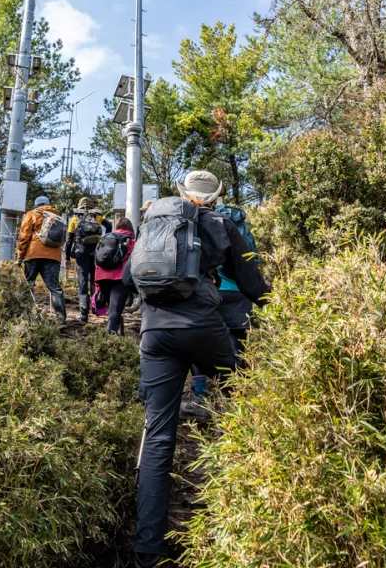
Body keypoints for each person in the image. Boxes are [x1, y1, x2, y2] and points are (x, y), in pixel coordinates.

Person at [129, 170, 269, 567]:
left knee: (158, 435)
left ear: (179, 193)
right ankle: (237, 508)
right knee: (241, 395)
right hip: (204, 328)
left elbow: (128, 276)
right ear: (215, 196)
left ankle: (148, 548)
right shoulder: (220, 223)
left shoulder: (152, 223)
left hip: (155, 334)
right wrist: (281, 309)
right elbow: (251, 283)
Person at [191, 200, 262, 399]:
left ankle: (200, 392)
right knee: (239, 347)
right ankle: (237, 396)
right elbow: (252, 261)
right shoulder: (243, 228)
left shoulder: (206, 224)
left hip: (215, 292)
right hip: (241, 294)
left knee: (201, 342)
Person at [16, 195, 68, 325]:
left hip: (34, 254)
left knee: (29, 285)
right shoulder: (57, 217)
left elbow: (24, 237)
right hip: (54, 256)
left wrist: (20, 257)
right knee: (54, 287)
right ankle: (61, 319)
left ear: (36, 205)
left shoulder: (32, 214)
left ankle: (27, 316)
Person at [65, 196, 105, 324]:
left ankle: (84, 313)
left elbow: (69, 239)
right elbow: (109, 226)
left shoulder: (75, 218)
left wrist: (67, 257)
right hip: (95, 252)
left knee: (82, 279)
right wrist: (104, 240)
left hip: (81, 252)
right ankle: (95, 307)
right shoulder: (97, 217)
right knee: (94, 278)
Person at [94, 217, 135, 335]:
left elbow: (97, 262)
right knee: (115, 311)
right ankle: (109, 342)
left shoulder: (106, 238)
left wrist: (97, 286)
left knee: (114, 310)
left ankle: (119, 335)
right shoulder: (132, 240)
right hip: (120, 278)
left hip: (102, 278)